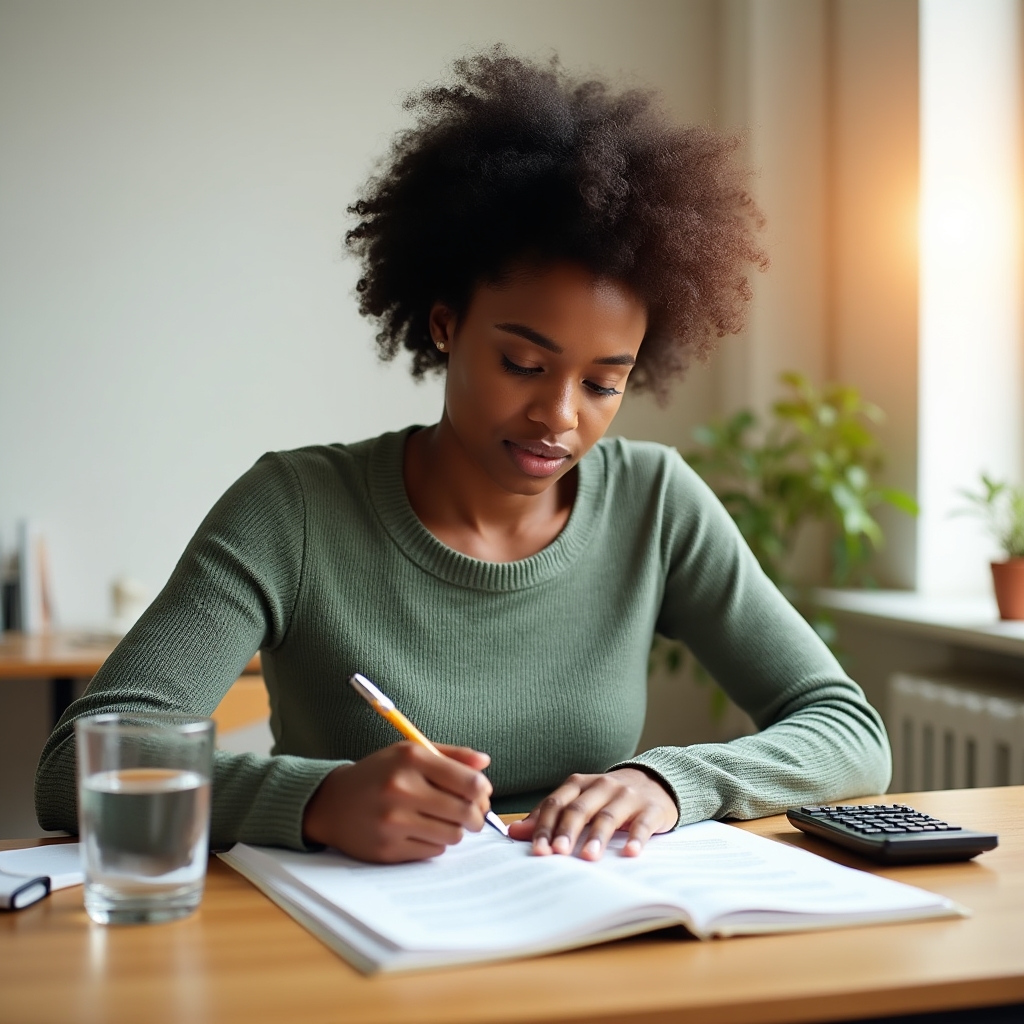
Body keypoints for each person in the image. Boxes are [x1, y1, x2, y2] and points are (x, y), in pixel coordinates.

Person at [35, 49, 890, 865]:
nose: (558, 416)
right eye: (524, 364)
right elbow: (75, 765)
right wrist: (319, 801)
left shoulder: (654, 502)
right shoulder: (293, 508)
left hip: (585, 930)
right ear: (445, 323)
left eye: (602, 383)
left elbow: (848, 730)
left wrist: (672, 782)